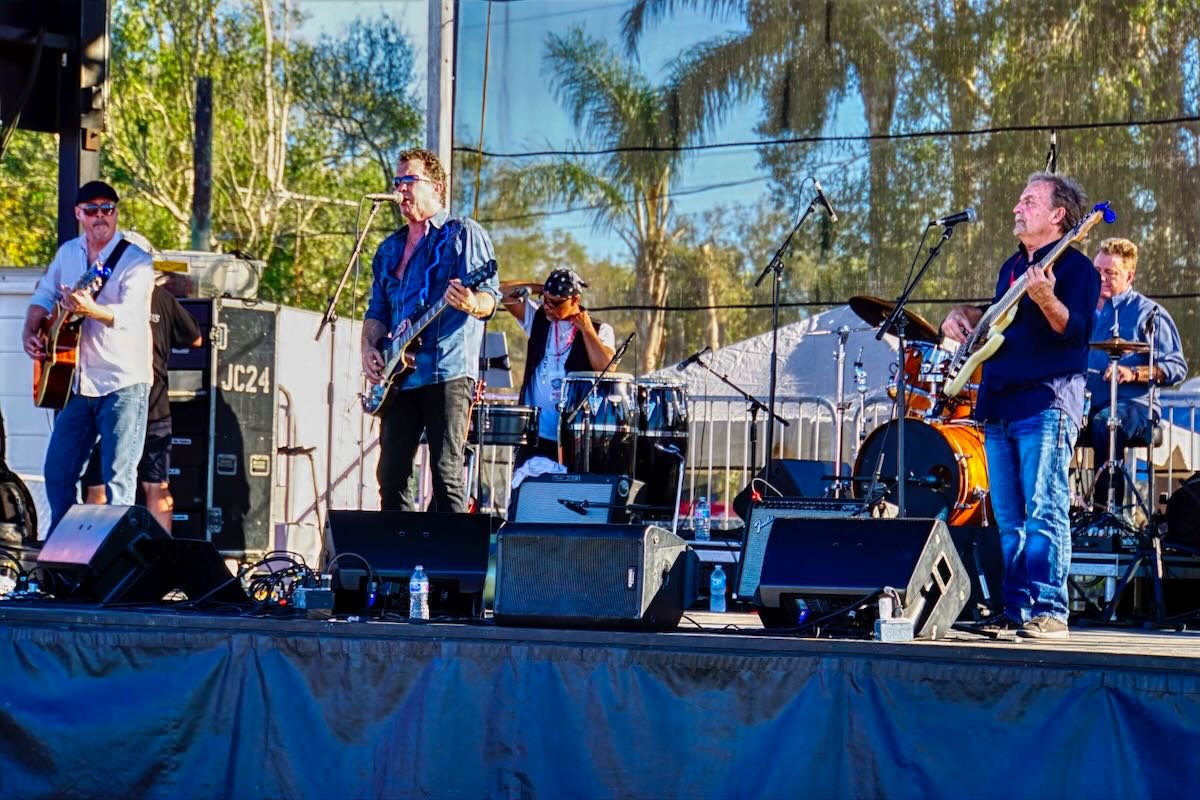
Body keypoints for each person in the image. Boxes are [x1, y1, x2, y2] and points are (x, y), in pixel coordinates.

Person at [941, 172, 1100, 640]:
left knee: (1045, 508)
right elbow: (998, 321)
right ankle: (1015, 608)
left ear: (1058, 215)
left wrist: (1047, 297)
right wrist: (966, 317)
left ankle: (1050, 610)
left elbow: (1075, 332)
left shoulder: (1077, 270)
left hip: (1046, 401)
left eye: (1029, 201)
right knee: (1009, 519)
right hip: (999, 404)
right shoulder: (1011, 267)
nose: (1017, 207)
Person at [361, 148, 500, 513]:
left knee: (446, 473)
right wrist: (370, 348)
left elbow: (490, 298)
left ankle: (449, 566)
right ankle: (397, 562)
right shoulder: (389, 249)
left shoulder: (462, 234)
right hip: (399, 377)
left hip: (447, 372)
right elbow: (377, 311)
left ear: (436, 187)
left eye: (409, 180)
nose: (401, 189)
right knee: (391, 476)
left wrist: (470, 302)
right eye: (398, 181)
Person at [21, 180, 154, 534]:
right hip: (79, 382)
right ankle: (65, 550)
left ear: (116, 213)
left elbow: (130, 316)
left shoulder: (135, 259)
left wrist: (90, 309)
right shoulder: (69, 253)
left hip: (122, 381)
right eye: (92, 210)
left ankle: (118, 563)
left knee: (118, 479)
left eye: (108, 209)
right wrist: (32, 330)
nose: (101, 217)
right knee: (58, 471)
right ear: (78, 214)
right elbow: (45, 294)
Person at [82, 277, 204, 532]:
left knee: (100, 482)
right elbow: (195, 339)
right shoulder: (162, 297)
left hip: (120, 402)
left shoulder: (109, 295)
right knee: (156, 484)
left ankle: (99, 552)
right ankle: (161, 555)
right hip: (155, 405)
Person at [1085, 238, 1188, 507]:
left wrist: (1134, 373)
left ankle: (1107, 512)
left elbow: (1176, 367)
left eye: (1110, 273)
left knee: (1108, 422)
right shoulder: (1082, 312)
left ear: (1130, 275)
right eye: (1097, 271)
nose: (1101, 278)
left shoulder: (1149, 313)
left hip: (1135, 408)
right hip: (1085, 405)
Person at [500, 268, 616, 468]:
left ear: (574, 300)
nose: (548, 307)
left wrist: (587, 331)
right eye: (545, 300)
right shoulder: (538, 317)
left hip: (572, 436)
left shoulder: (599, 330)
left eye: (555, 303)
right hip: (534, 432)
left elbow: (607, 369)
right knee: (526, 490)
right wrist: (540, 289)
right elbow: (500, 291)